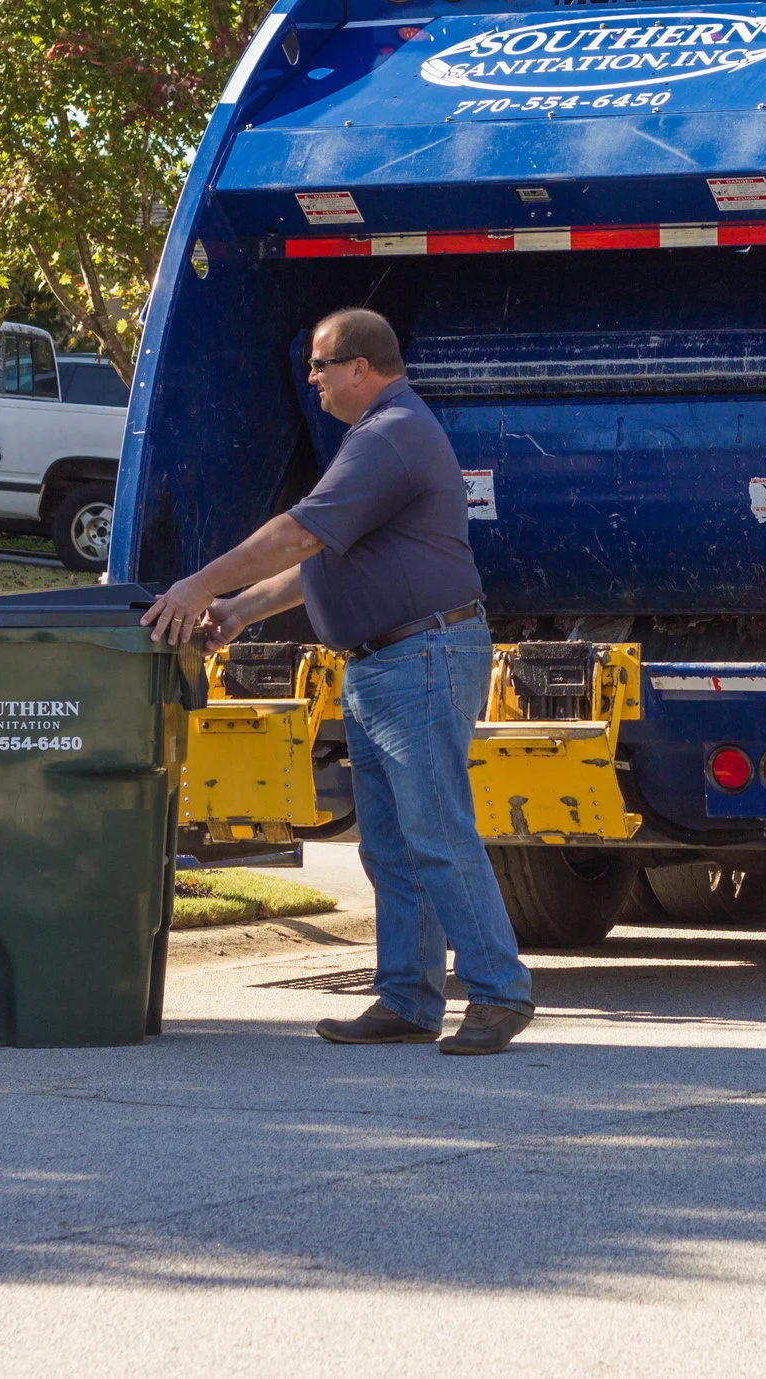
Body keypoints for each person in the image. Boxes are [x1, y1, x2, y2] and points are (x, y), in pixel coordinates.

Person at [142, 307, 533, 1056]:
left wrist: (197, 586)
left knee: (436, 833)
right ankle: (407, 998)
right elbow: (322, 557)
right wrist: (239, 609)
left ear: (361, 367)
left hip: (419, 657)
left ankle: (499, 992)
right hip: (387, 662)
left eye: (320, 364)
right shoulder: (377, 435)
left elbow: (297, 534)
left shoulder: (391, 434)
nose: (312, 378)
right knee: (390, 845)